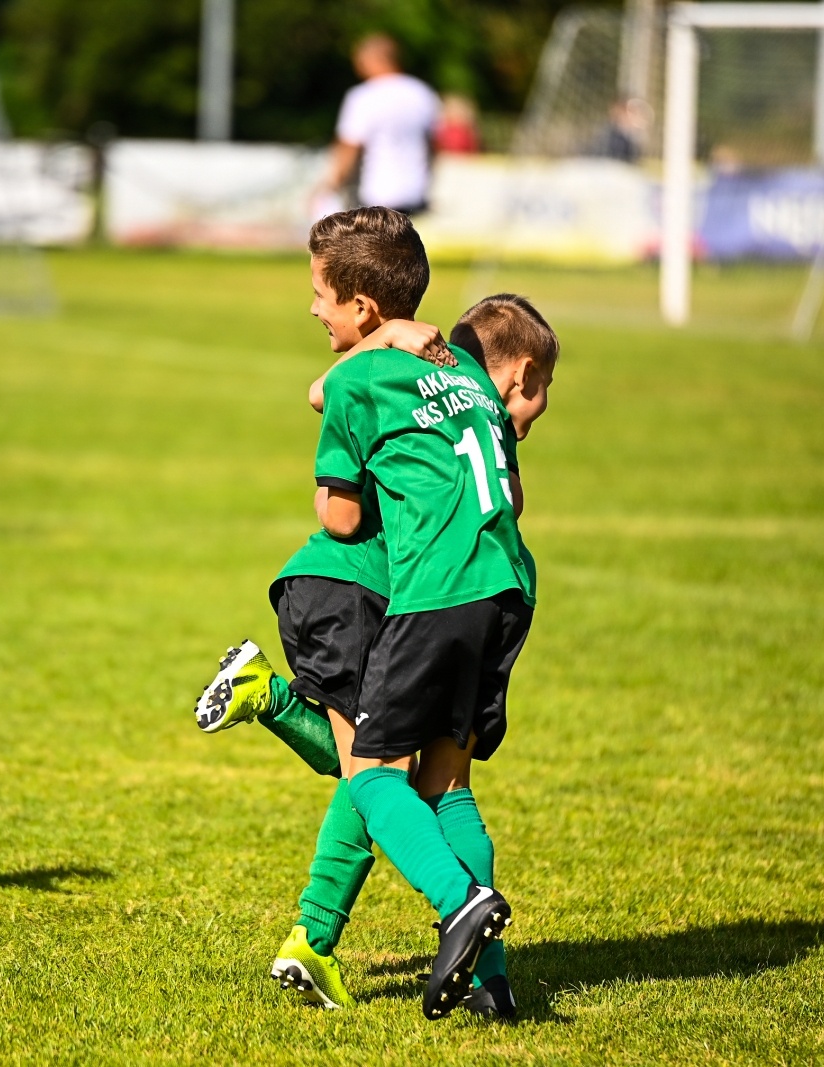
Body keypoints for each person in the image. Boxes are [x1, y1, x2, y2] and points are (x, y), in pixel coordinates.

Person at [196, 292, 557, 1021]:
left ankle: (442, 906)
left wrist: (386, 341)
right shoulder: (472, 392)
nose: (310, 307)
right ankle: (490, 981)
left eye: (319, 295)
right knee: (429, 783)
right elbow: (510, 502)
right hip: (498, 591)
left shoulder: (380, 379)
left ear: (361, 307)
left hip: (413, 594)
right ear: (518, 372)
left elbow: (337, 492)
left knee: (369, 775)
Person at [318, 35, 441, 215]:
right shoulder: (422, 93)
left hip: (377, 191)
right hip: (417, 190)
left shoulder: (364, 96)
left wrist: (330, 185)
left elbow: (349, 147)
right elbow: (434, 143)